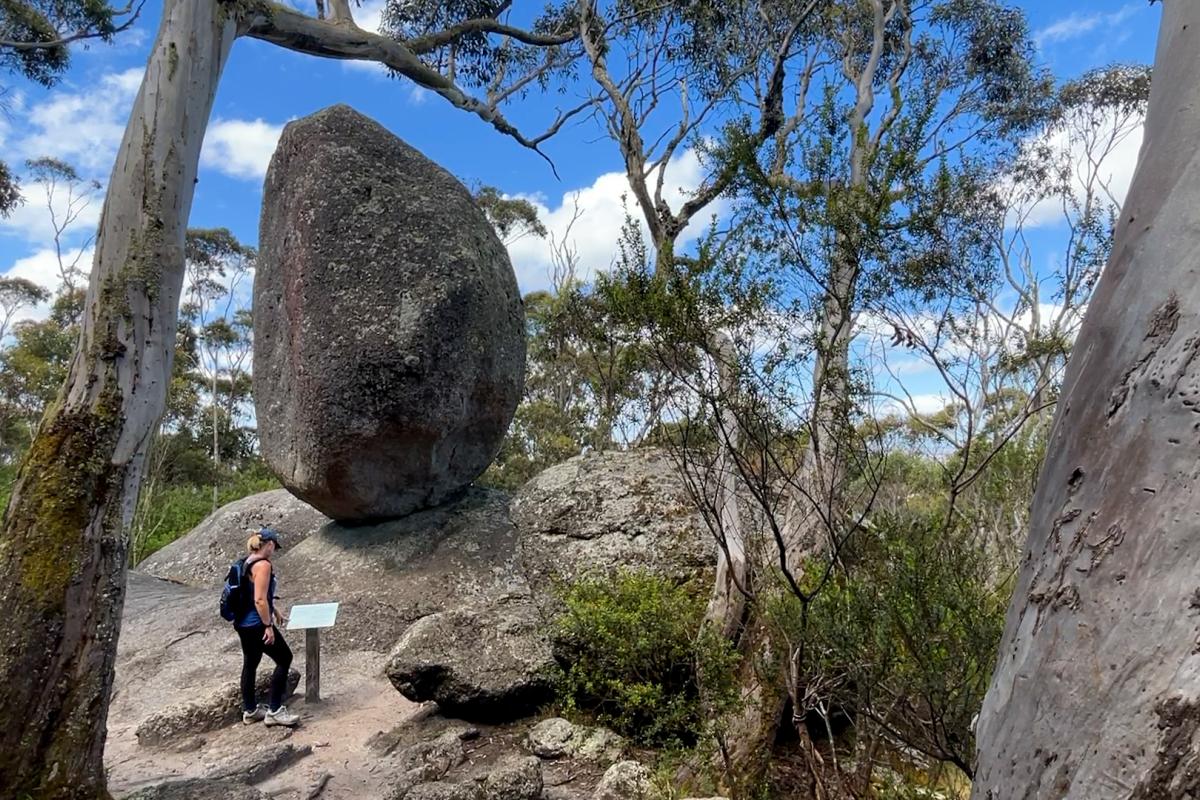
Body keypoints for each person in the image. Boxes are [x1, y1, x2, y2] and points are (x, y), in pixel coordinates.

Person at [236, 527, 300, 727]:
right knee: (284, 658)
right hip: (257, 624)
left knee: (251, 663)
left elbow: (254, 593)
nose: (274, 550)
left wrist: (276, 610)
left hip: (243, 623)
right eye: (274, 546)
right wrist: (268, 626)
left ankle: (250, 710)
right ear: (270, 544)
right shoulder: (263, 565)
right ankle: (274, 710)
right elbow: (260, 599)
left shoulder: (247, 562)